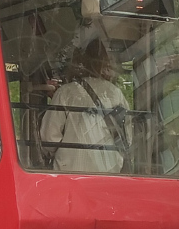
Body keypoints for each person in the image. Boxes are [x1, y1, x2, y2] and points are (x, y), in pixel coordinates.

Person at [39, 39, 129, 173]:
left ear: (83, 62)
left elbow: (49, 137)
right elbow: (127, 136)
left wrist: (49, 154)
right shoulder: (116, 93)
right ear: (105, 64)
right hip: (109, 171)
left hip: (69, 172)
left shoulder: (66, 92)